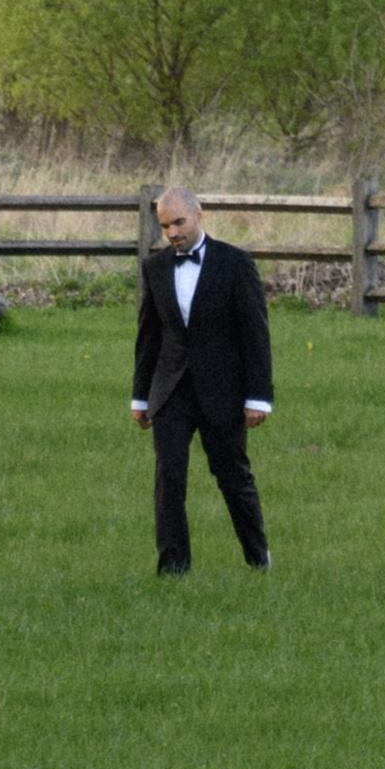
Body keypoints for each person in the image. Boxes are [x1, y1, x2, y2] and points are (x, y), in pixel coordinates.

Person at [131, 182, 273, 574]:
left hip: (223, 393)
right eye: (165, 226)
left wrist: (258, 397)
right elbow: (149, 337)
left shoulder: (236, 263)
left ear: (199, 215)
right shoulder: (155, 268)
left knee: (232, 476)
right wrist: (140, 398)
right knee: (169, 477)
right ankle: (173, 568)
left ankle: (258, 556)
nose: (173, 233)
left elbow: (255, 334)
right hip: (171, 391)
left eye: (179, 223)